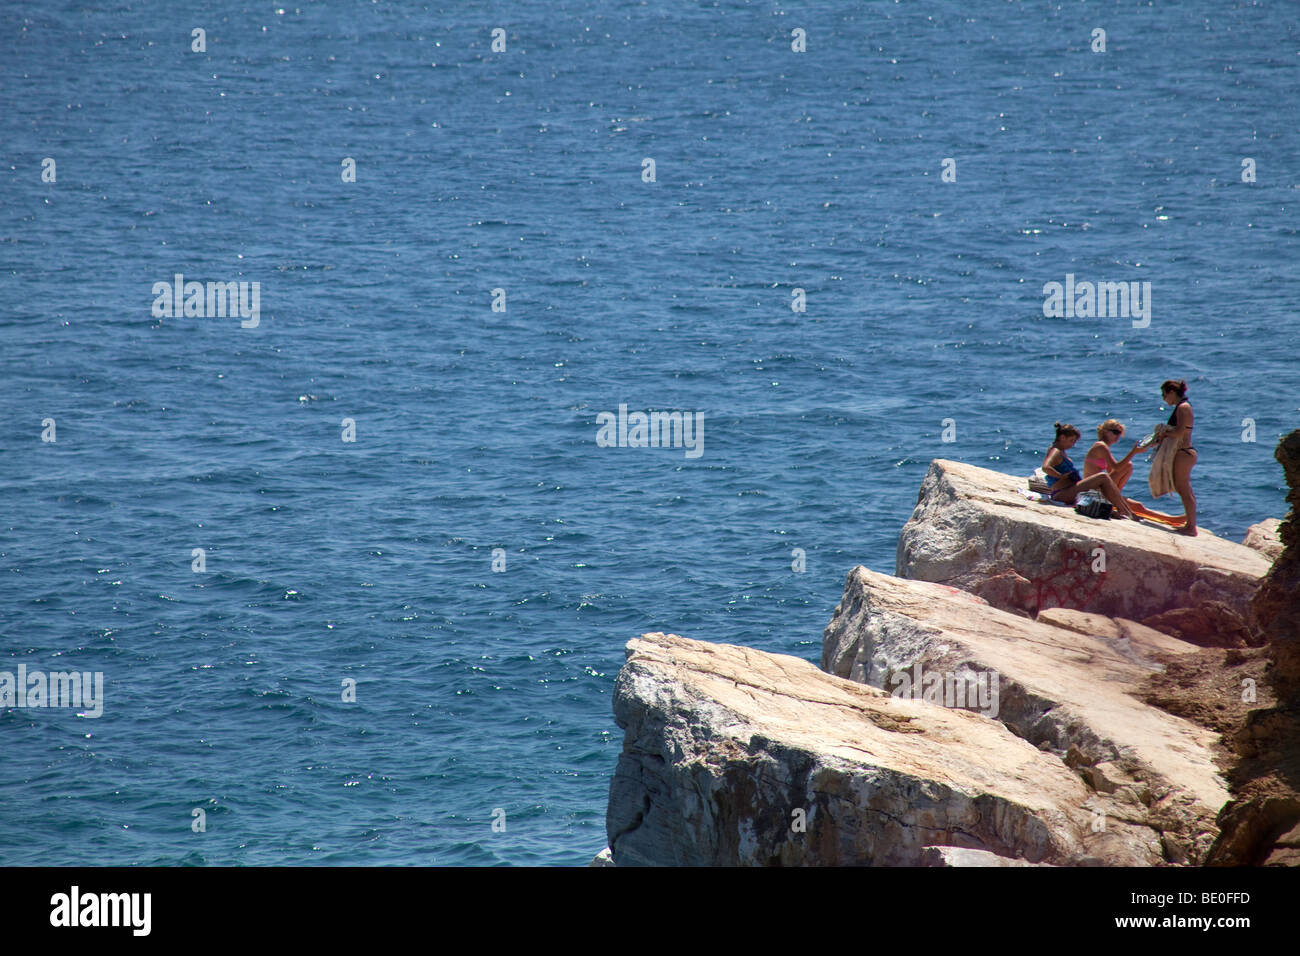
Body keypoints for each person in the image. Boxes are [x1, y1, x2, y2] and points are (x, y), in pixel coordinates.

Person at [1042, 422, 1139, 519]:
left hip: (1069, 490)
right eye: (1071, 441)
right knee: (1103, 476)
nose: (1072, 444)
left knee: (1105, 478)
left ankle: (1125, 510)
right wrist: (1061, 476)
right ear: (1062, 437)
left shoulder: (1061, 451)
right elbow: (1045, 467)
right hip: (1062, 493)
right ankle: (1125, 511)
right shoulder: (1055, 451)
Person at [1155, 379, 1197, 536]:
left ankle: (1191, 527)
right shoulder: (1183, 406)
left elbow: (1180, 432)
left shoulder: (1183, 408)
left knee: (1184, 489)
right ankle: (1190, 524)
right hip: (1184, 452)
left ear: (1171, 392)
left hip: (1184, 453)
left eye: (1164, 394)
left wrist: (1164, 433)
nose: (1163, 398)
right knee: (1183, 489)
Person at [1082, 419, 1141, 491]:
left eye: (1120, 433)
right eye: (1115, 432)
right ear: (1105, 432)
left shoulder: (1103, 447)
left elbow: (1111, 471)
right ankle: (1116, 495)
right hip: (1092, 488)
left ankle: (1116, 495)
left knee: (1138, 503)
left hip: (1096, 486)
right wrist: (1133, 452)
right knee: (1128, 465)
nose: (1118, 435)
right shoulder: (1101, 446)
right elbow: (1117, 468)